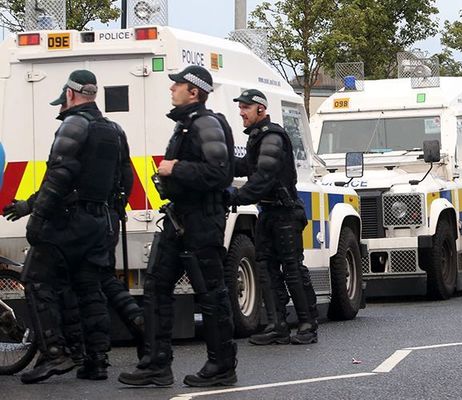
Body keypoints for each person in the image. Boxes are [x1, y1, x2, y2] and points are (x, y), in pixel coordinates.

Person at [3, 88, 144, 380]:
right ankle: (96, 361)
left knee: (37, 280)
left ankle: (55, 353)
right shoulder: (114, 130)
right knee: (89, 287)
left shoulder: (73, 125)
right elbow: (126, 177)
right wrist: (113, 213)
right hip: (101, 222)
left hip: (70, 221)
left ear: (70, 93)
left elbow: (58, 176)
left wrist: (37, 216)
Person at [118, 65, 237, 387]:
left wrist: (176, 168)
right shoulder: (186, 125)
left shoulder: (206, 123)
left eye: (178, 85)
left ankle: (222, 366)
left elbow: (218, 174)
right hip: (178, 218)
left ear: (194, 91)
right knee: (156, 286)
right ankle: (156, 364)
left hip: (202, 221)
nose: (172, 89)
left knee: (211, 293)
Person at [227, 89, 318, 346]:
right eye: (241, 107)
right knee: (265, 268)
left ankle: (307, 324)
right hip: (268, 213)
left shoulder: (272, 136)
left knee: (292, 269)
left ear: (261, 109)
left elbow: (263, 177)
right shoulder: (258, 137)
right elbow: (247, 167)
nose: (242, 113)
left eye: (246, 108)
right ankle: (277, 325)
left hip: (285, 213)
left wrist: (234, 197)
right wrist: (218, 160)